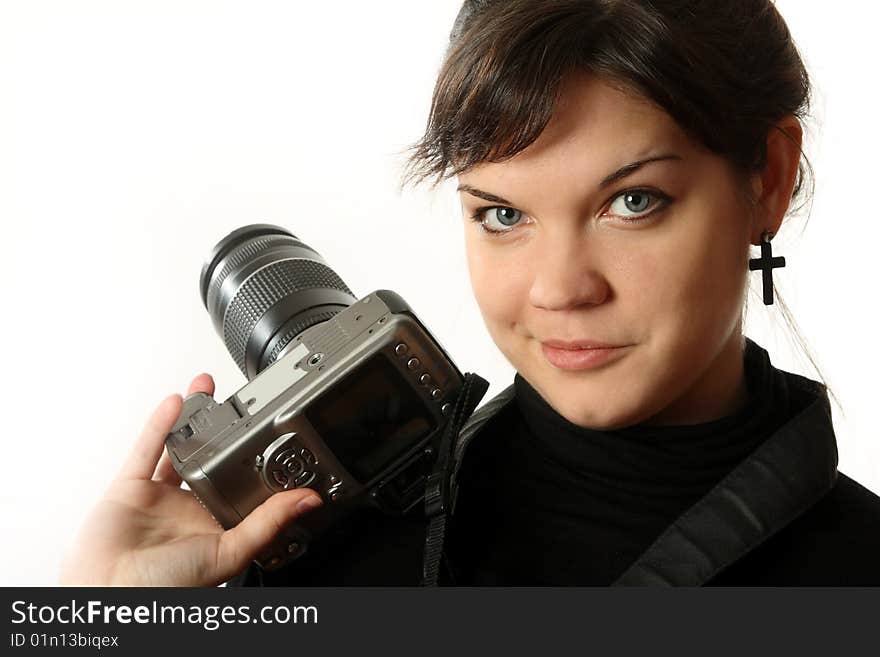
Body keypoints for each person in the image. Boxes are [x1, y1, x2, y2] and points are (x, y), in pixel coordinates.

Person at [61, 0, 880, 586]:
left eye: (633, 201)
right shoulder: (324, 549)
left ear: (767, 179)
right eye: (502, 214)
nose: (560, 288)